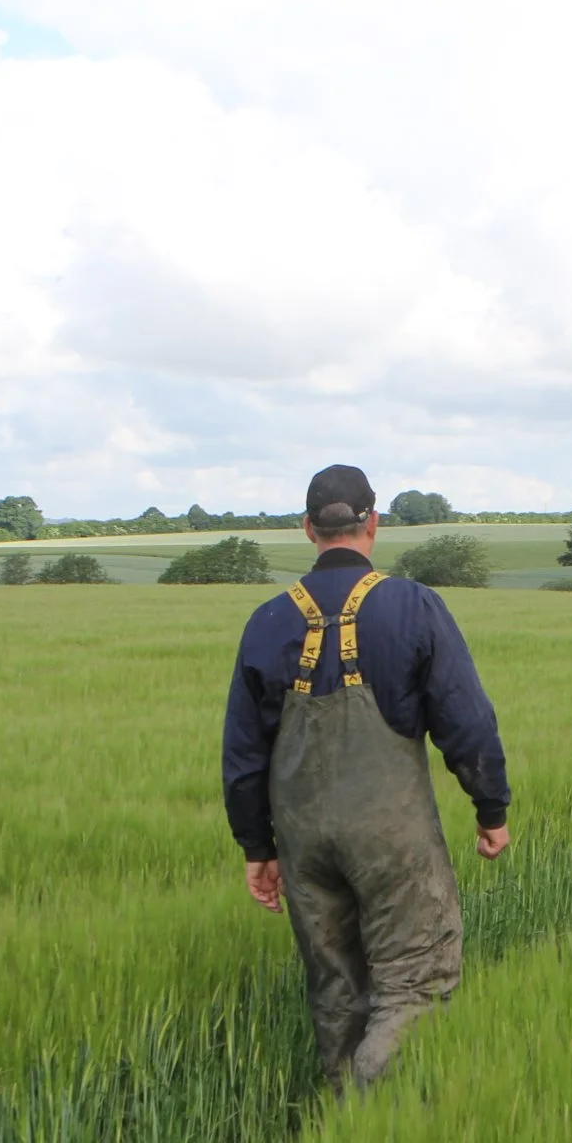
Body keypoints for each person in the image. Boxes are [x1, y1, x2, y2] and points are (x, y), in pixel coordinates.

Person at [222, 464, 513, 1089]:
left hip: (304, 843)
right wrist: (491, 809)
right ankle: (387, 1116)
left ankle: (340, 1126)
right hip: (390, 837)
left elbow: (243, 755)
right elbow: (466, 718)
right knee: (414, 981)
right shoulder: (412, 605)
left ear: (307, 529)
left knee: (336, 991)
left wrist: (257, 848)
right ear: (372, 524)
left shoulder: (268, 621)